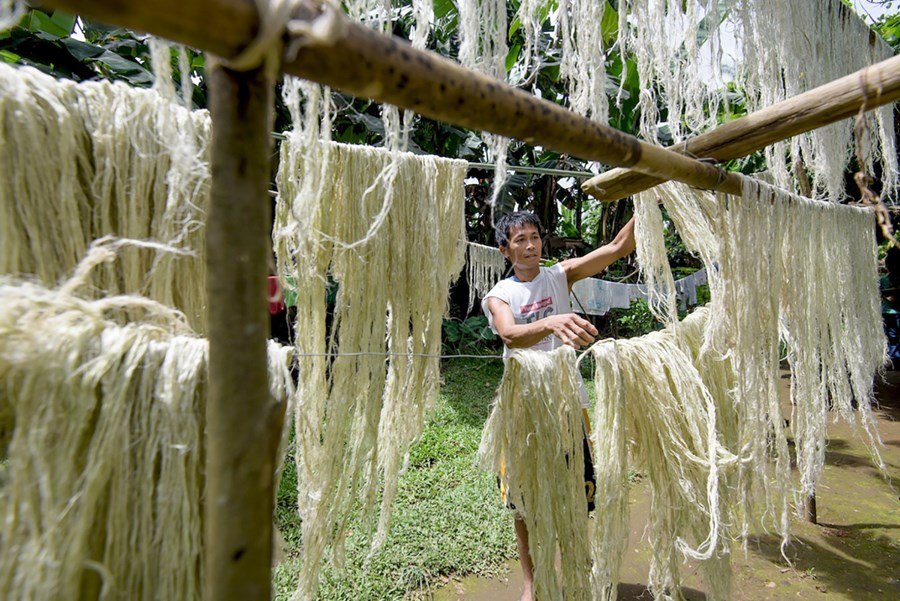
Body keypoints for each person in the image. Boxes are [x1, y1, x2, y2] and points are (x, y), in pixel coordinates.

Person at [481, 210, 636, 601]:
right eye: (520, 240)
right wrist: (552, 323)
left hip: (568, 405)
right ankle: (532, 584)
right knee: (524, 501)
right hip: (523, 411)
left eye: (535, 237)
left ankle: (574, 573)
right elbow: (510, 335)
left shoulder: (559, 275)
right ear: (505, 249)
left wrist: (654, 193)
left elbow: (619, 247)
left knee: (576, 492)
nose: (530, 245)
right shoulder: (500, 295)